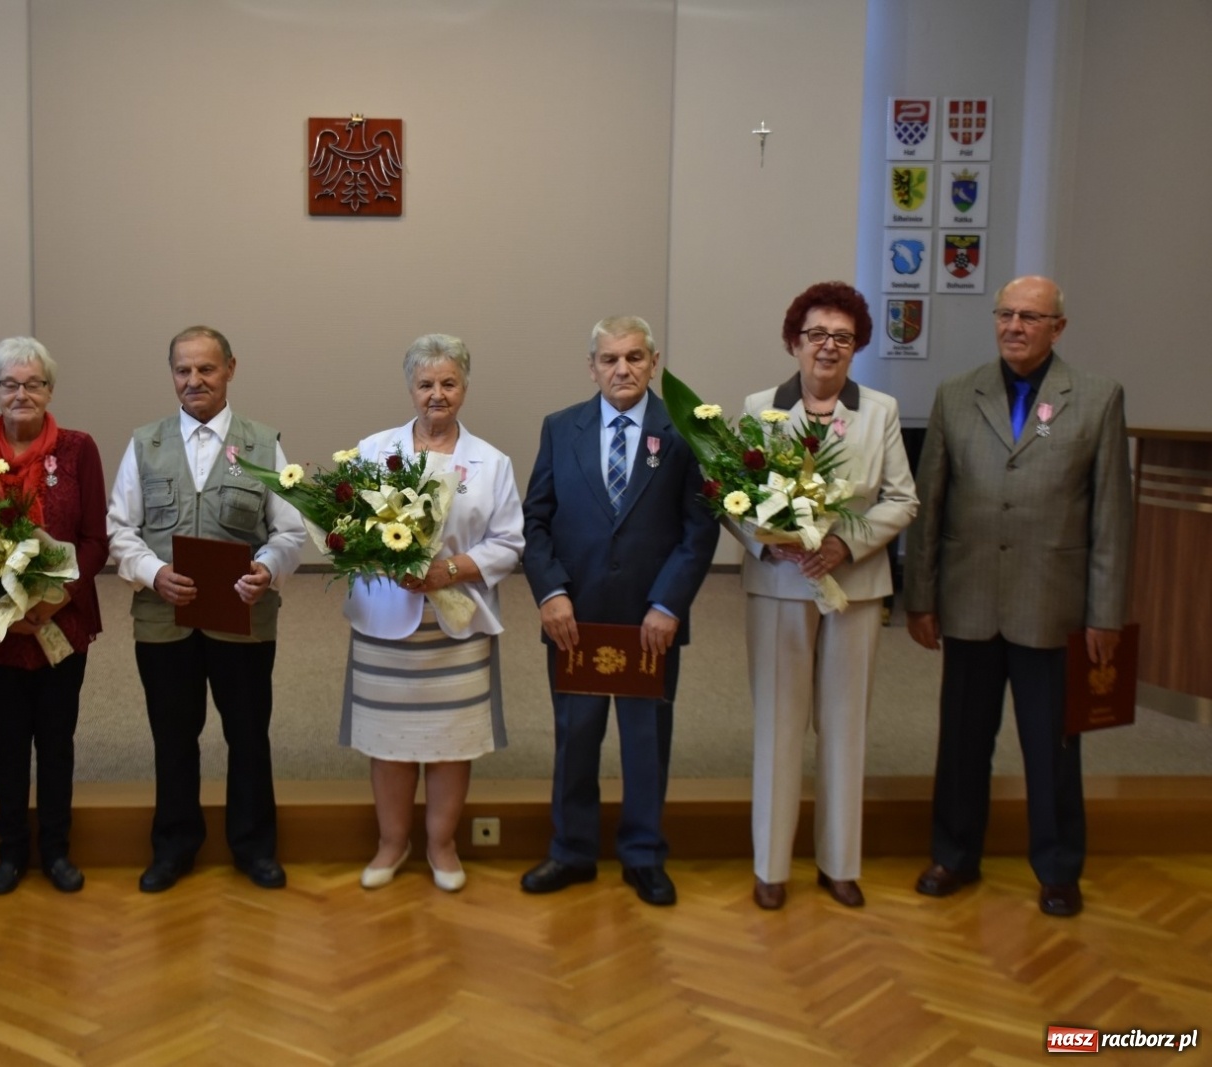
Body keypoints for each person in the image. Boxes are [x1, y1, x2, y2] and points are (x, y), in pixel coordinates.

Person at [904, 276, 1132, 918]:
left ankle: (1058, 870)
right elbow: (929, 504)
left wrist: (1106, 613)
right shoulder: (956, 394)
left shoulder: (1097, 398)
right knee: (961, 743)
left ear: (1058, 328)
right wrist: (920, 597)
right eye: (1005, 314)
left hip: (1051, 608)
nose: (1014, 327)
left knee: (1051, 748)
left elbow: (1113, 517)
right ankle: (954, 855)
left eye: (1030, 317)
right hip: (969, 601)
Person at [729, 282, 917, 910]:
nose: (828, 347)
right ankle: (771, 866)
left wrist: (845, 545)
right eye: (816, 335)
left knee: (844, 724)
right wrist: (768, 542)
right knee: (778, 726)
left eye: (842, 336)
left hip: (855, 588)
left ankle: (839, 863)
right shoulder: (760, 408)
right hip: (780, 584)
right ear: (794, 342)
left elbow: (902, 499)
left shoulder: (881, 412)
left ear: (856, 346)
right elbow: (730, 497)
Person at [520, 316, 718, 906]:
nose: (622, 369)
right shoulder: (561, 428)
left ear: (654, 363)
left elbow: (700, 528)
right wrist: (551, 593)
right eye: (609, 359)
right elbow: (535, 521)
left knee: (645, 741)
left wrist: (669, 602)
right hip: (575, 619)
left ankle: (644, 855)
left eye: (634, 357)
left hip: (649, 622)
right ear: (592, 367)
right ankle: (571, 851)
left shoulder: (683, 432)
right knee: (575, 738)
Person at [107, 326, 305, 892]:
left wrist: (267, 568)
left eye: (206, 369)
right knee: (173, 738)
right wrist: (153, 573)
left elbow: (290, 531)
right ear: (172, 374)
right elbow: (121, 529)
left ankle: (254, 847)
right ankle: (173, 847)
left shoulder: (261, 444)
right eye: (183, 370)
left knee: (248, 734)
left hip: (243, 620)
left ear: (230, 370)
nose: (194, 380)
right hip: (163, 619)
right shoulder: (145, 443)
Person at [342, 334, 525, 892]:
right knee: (388, 742)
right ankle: (392, 843)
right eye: (426, 384)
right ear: (411, 389)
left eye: (448, 383)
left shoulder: (492, 463)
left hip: (457, 623)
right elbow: (345, 527)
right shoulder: (373, 451)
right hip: (387, 621)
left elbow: (509, 543)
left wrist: (450, 569)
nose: (437, 395)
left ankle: (442, 846)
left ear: (464, 388)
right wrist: (380, 554)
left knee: (452, 744)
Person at [0, 337, 108, 896]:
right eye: (10, 384)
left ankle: (57, 850)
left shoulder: (78, 449)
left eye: (33, 383)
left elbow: (95, 540)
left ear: (49, 390)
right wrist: (3, 609)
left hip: (63, 620)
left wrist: (54, 599)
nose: (22, 394)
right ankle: (11, 850)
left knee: (57, 739)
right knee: (8, 740)